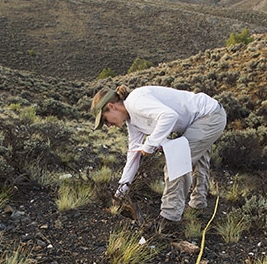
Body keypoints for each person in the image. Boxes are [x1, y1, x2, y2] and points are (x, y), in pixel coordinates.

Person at [91, 84, 227, 233]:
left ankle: (169, 219)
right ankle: (198, 204)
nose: (108, 125)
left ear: (112, 106)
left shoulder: (136, 101)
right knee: (196, 159)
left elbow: (169, 116)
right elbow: (133, 158)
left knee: (177, 161)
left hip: (209, 116)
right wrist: (119, 194)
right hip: (203, 117)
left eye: (105, 120)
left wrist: (149, 145)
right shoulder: (133, 123)